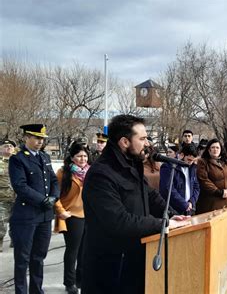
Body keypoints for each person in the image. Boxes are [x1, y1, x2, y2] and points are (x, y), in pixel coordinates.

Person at [81, 115, 189, 294]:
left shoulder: (131, 165)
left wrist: (170, 214)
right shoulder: (101, 174)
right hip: (110, 269)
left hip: (135, 261)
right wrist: (164, 224)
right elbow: (119, 221)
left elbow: (150, 195)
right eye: (142, 138)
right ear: (124, 142)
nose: (147, 143)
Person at [9, 124, 60, 294]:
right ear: (26, 138)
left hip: (44, 216)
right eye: (37, 138)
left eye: (43, 139)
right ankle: (21, 291)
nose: (40, 142)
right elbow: (20, 186)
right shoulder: (18, 159)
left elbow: (53, 180)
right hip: (26, 216)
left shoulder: (44, 157)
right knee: (23, 258)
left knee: (39, 257)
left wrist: (54, 197)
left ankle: (36, 290)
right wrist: (42, 200)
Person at [54, 143, 90, 294]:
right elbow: (54, 194)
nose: (82, 159)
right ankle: (70, 282)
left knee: (84, 250)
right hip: (72, 215)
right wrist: (60, 210)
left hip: (89, 215)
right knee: (72, 251)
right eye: (79, 156)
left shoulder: (90, 171)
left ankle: (81, 279)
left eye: (85, 156)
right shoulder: (64, 172)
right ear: (72, 157)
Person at [195, 139, 227, 214]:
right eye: (213, 147)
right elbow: (204, 180)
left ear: (221, 149)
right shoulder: (202, 162)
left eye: (217, 148)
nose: (215, 150)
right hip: (211, 202)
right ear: (209, 149)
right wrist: (219, 192)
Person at [160, 144, 200, 215]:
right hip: (174, 210)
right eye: (189, 160)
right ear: (181, 155)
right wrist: (184, 204)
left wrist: (192, 202)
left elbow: (196, 186)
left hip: (189, 209)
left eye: (193, 161)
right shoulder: (168, 166)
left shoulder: (192, 167)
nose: (190, 163)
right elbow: (167, 188)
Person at [0, 139, 16, 252]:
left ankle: (15, 241)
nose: (9, 147)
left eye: (11, 146)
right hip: (2, 199)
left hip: (18, 198)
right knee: (1, 223)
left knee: (17, 222)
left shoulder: (19, 162)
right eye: (6, 146)